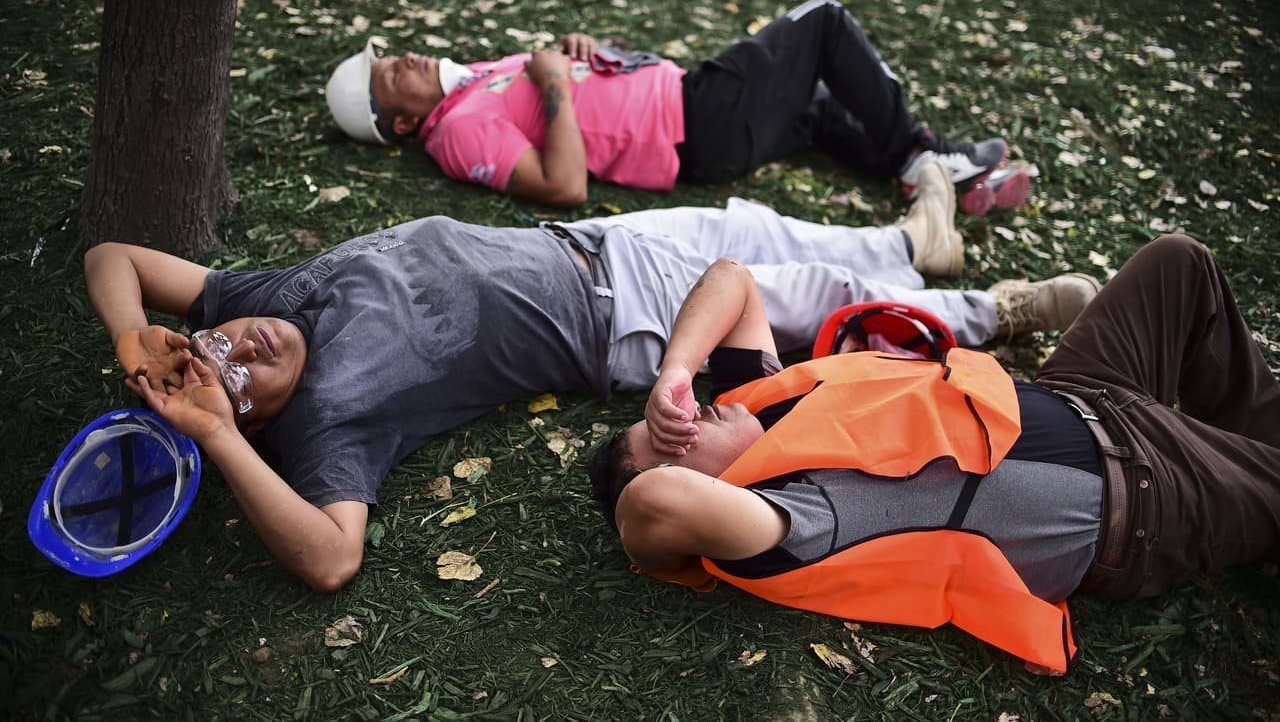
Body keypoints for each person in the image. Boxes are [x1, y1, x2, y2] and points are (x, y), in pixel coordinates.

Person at [83, 165, 1093, 593]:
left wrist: (138, 338)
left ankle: (910, 238)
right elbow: (329, 559)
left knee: (764, 235)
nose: (240, 346)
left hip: (596, 240)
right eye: (235, 377)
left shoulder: (259, 295)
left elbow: (113, 258)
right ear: (254, 419)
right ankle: (989, 313)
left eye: (214, 339)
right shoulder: (328, 422)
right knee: (803, 298)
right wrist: (215, 433)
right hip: (618, 321)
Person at [587, 234, 1279, 674]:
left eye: (672, 413)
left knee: (1178, 262)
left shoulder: (755, 401)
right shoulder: (786, 520)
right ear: (702, 487)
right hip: (1142, 491)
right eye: (674, 435)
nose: (689, 412)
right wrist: (656, 485)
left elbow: (730, 277)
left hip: (1087, 393)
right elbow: (651, 505)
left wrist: (675, 373)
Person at [325, 0, 1030, 213]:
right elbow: (564, 185)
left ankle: (918, 172)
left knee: (813, 108)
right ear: (403, 123)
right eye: (390, 73)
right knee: (822, 23)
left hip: (688, 114)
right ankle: (924, 152)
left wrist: (580, 54)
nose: (405, 57)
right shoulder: (456, 135)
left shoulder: (465, 86)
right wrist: (553, 81)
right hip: (692, 121)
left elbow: (562, 92)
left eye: (393, 53)